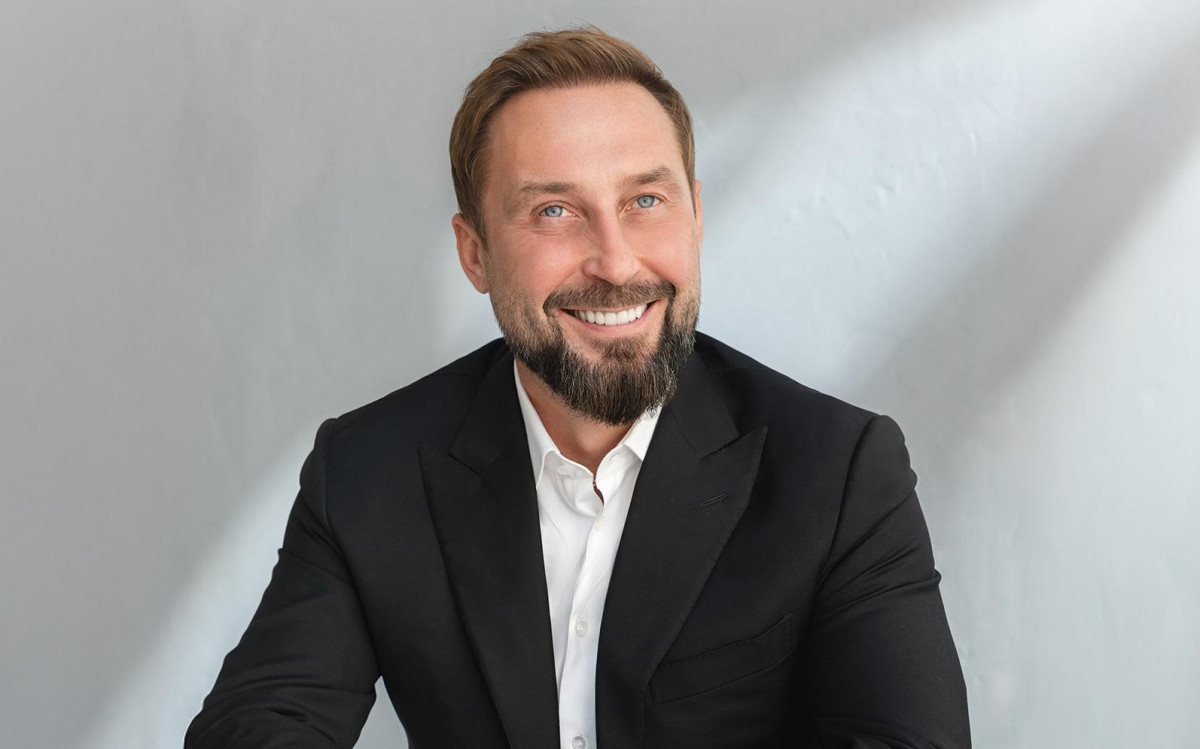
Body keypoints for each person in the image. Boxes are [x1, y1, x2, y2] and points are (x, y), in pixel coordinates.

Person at [186, 27, 970, 749]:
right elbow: (253, 729)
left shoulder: (839, 472)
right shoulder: (367, 472)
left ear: (695, 216)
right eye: (555, 211)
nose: (616, 261)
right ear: (475, 252)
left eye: (645, 201)